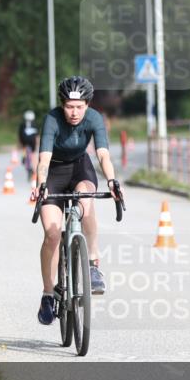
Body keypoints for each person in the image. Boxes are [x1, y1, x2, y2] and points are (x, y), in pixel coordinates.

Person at [31, 76, 122, 325]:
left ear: (87, 104)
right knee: (52, 234)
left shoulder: (94, 118)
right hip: (54, 173)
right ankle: (48, 294)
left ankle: (92, 264)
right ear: (62, 105)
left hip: (80, 168)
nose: (74, 113)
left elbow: (103, 154)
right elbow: (44, 159)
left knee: (86, 201)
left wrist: (112, 181)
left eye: (79, 107)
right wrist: (41, 184)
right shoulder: (52, 119)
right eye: (69, 107)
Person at [17, 109, 39, 177]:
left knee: (28, 154)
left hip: (26, 142)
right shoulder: (34, 125)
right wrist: (37, 144)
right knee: (33, 155)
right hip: (31, 143)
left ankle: (28, 165)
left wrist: (19, 144)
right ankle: (32, 168)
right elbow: (37, 136)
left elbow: (20, 136)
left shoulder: (23, 125)